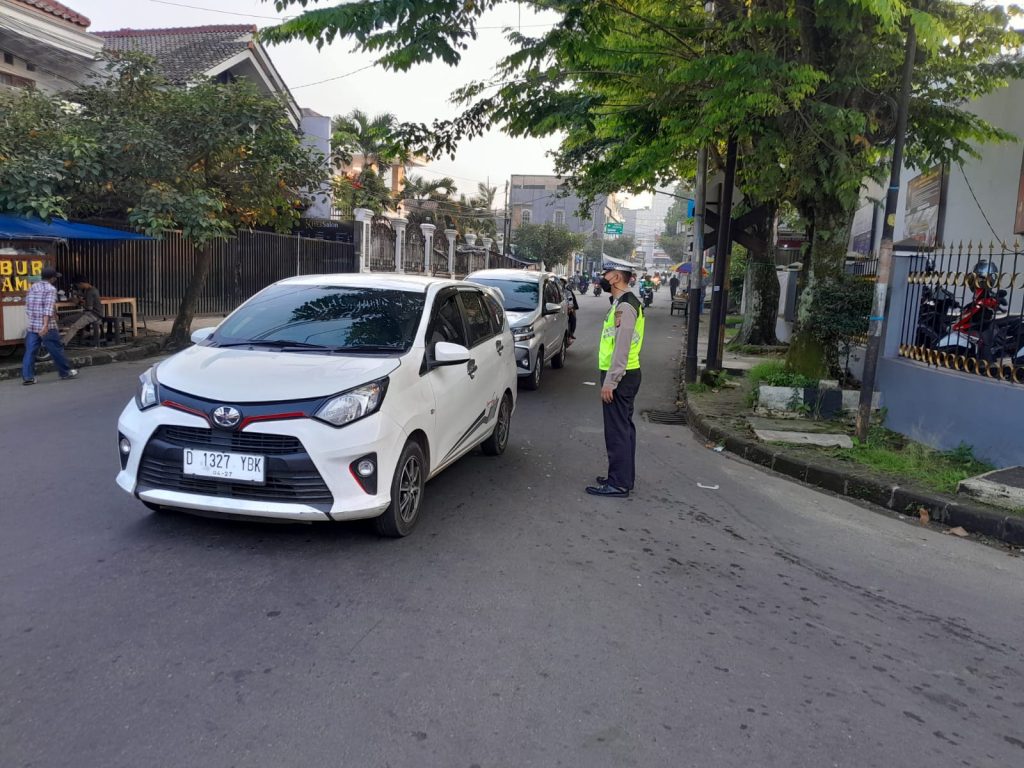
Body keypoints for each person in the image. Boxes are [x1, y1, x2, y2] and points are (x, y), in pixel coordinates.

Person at [586, 261, 645, 498]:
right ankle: (622, 477)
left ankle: (618, 484)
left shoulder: (626, 307)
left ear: (617, 277)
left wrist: (611, 380)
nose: (603, 277)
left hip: (621, 375)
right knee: (624, 428)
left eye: (606, 273)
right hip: (625, 373)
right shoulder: (622, 302)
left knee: (617, 431)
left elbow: (621, 346)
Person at [21, 267, 78, 385]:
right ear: (52, 278)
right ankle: (65, 372)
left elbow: (27, 305)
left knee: (30, 351)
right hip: (47, 326)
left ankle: (28, 377)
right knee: (55, 349)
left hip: (32, 325)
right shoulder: (50, 289)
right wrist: (45, 325)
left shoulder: (33, 286)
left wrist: (34, 319)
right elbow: (47, 308)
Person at [61, 274, 105, 346]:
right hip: (88, 313)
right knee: (66, 319)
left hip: (94, 315)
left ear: (81, 283)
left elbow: (89, 307)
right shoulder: (90, 289)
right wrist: (76, 295)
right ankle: (84, 332)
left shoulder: (91, 292)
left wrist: (79, 302)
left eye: (78, 285)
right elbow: (85, 297)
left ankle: (62, 343)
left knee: (74, 327)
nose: (78, 287)